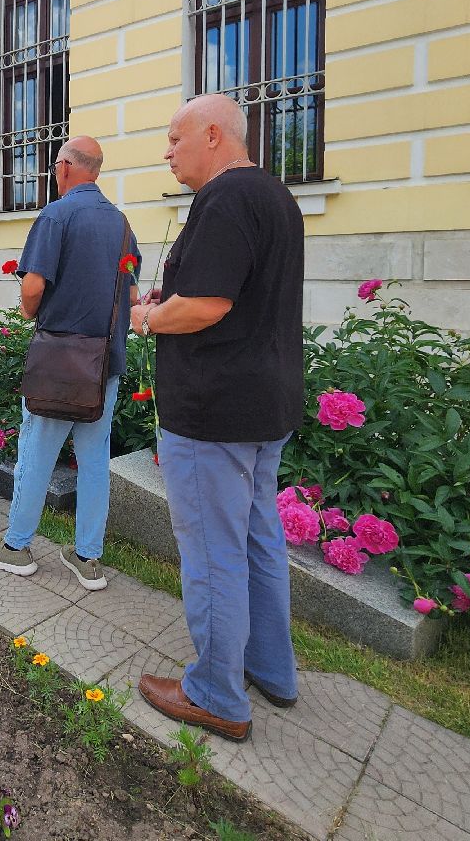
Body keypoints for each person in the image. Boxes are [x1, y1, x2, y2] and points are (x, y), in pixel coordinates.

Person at [129, 94, 305, 743]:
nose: (167, 152)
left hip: (216, 411)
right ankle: (270, 670)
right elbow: (234, 292)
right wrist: (171, 298)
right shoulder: (274, 196)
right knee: (258, 538)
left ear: (212, 135)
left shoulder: (224, 199)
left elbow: (207, 305)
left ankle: (216, 695)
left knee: (212, 552)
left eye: (175, 139)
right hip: (264, 403)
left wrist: (147, 317)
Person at [0, 136, 139, 592]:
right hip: (104, 364)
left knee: (35, 455)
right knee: (95, 461)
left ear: (64, 168)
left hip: (58, 365)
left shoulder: (56, 215)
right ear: (95, 171)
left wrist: (29, 312)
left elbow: (32, 287)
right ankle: (88, 558)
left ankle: (16, 547)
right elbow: (131, 293)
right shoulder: (123, 225)